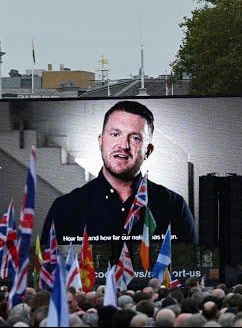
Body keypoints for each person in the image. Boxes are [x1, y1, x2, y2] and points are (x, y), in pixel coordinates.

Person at [41, 100, 195, 258]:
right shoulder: (65, 209)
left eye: (135, 138)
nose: (123, 145)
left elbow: (190, 272)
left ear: (148, 151)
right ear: (101, 142)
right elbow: (48, 273)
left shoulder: (174, 207)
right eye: (115, 134)